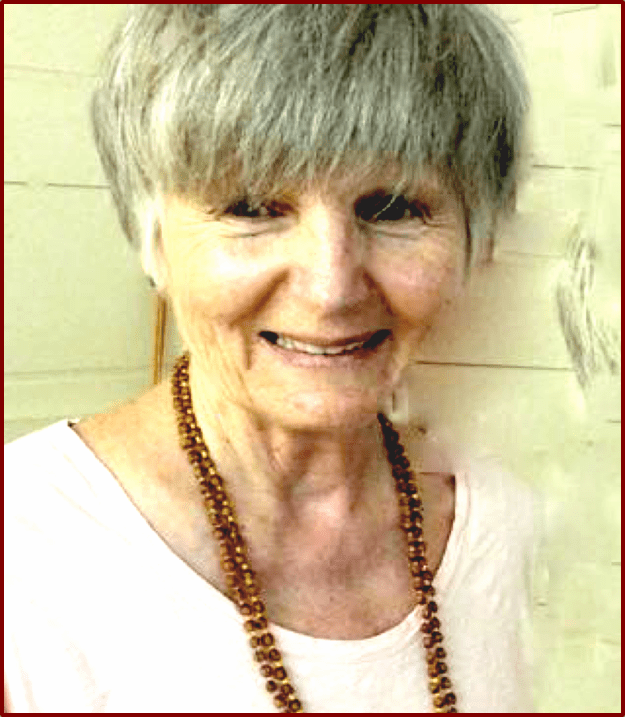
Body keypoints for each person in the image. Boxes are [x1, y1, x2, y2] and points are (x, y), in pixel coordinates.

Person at [5, 5, 537, 713]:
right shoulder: (24, 560)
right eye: (253, 205)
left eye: (392, 205)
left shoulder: (518, 532)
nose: (330, 288)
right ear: (151, 239)